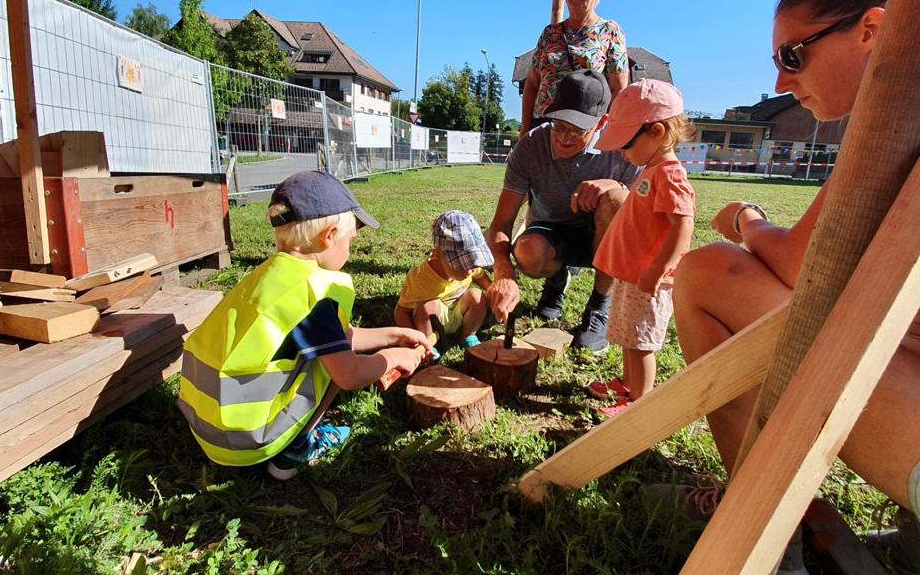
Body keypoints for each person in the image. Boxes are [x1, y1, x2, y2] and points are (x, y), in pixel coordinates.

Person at [669, 0, 920, 570]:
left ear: (872, 29)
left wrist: (746, 220)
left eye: (793, 55)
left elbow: (799, 265)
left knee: (711, 273)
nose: (780, 82)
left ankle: (765, 536)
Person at [177, 170, 432, 481]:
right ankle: (294, 450)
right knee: (332, 366)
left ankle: (286, 434)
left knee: (330, 352)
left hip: (209, 426)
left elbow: (341, 337)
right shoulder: (316, 294)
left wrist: (395, 334)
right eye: (350, 240)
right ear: (330, 235)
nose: (350, 250)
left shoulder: (273, 275)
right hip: (249, 441)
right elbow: (349, 374)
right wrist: (394, 358)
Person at [486, 70, 640, 353]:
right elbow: (500, 225)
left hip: (603, 237)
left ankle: (598, 307)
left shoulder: (624, 149)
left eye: (577, 130)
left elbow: (651, 212)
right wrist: (504, 273)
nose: (564, 138)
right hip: (553, 231)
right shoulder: (531, 146)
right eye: (559, 125)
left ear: (602, 122)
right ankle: (557, 279)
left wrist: (615, 186)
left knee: (618, 199)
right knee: (528, 252)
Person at [586, 80, 695, 416]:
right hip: (633, 277)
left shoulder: (670, 175)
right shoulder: (652, 169)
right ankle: (628, 383)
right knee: (627, 336)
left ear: (657, 131)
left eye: (625, 143)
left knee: (641, 344)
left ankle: (638, 404)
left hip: (649, 282)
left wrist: (658, 270)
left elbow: (683, 223)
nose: (621, 151)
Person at [519, 0, 628, 138]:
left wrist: (607, 132)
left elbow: (618, 90)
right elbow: (532, 84)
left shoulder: (610, 31)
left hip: (585, 130)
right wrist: (525, 130)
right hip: (544, 126)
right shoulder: (549, 33)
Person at [394, 210, 494, 351]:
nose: (470, 270)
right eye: (461, 264)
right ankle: (428, 344)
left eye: (473, 261)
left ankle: (467, 335)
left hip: (460, 312)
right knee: (428, 307)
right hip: (434, 320)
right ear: (438, 254)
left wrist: (492, 291)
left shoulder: (471, 268)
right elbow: (401, 312)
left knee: (477, 296)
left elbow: (480, 276)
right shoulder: (421, 279)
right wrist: (412, 339)